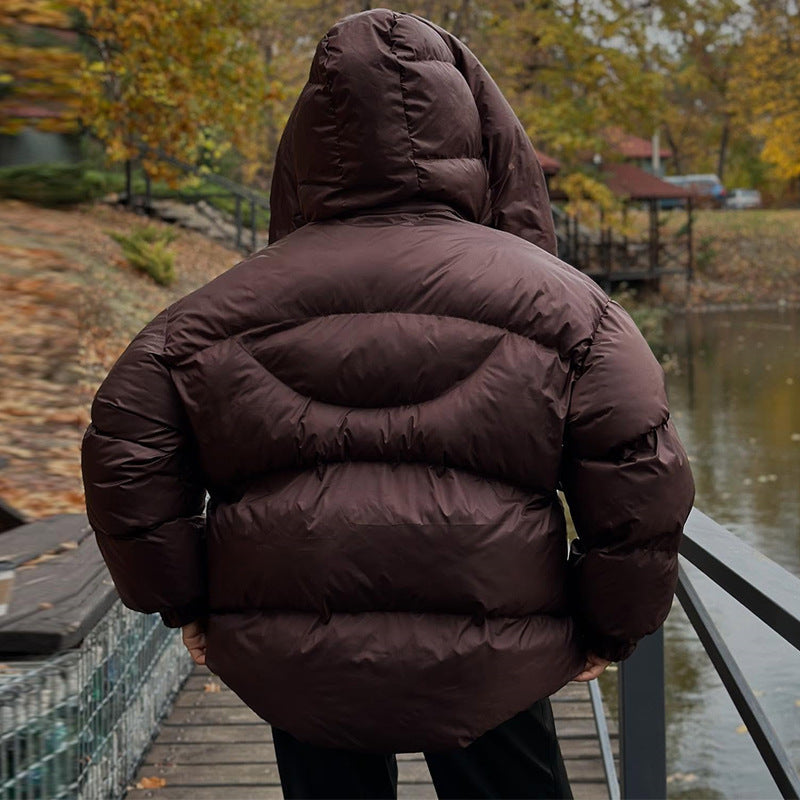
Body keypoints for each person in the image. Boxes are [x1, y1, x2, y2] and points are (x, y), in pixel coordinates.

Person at [80, 8, 695, 799]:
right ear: (471, 136)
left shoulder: (208, 317)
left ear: (308, 146)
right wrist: (611, 625)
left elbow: (124, 456)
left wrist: (184, 603)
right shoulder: (572, 311)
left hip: (298, 647)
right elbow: (639, 474)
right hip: (494, 643)